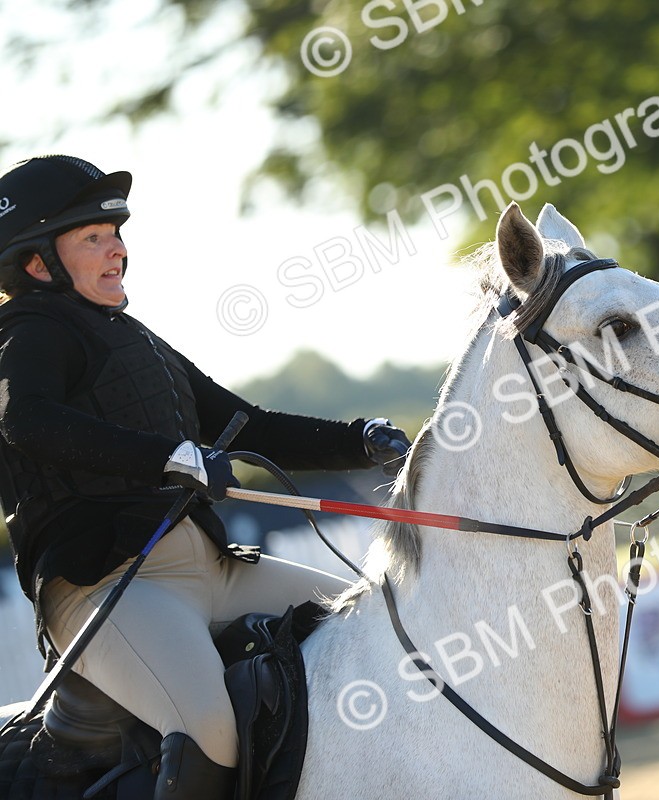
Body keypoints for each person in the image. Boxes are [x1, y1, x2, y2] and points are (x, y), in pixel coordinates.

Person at [0, 155, 411, 798]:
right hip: (108, 589)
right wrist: (168, 456)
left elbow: (246, 425)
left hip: (215, 569)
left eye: (117, 236)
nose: (118, 252)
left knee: (377, 630)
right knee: (208, 729)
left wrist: (359, 440)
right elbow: (26, 422)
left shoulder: (134, 336)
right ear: (35, 264)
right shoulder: (26, 333)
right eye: (93, 239)